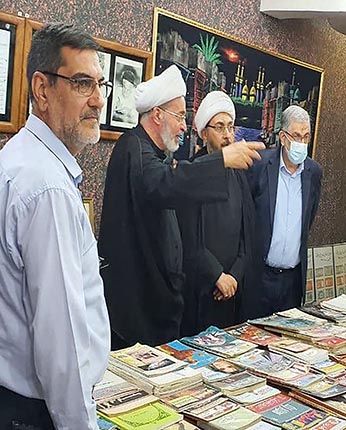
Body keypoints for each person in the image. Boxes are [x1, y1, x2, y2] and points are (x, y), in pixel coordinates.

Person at [0, 23, 112, 429]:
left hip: (2, 405)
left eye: (100, 84)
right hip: (32, 414)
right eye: (82, 84)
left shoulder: (19, 158)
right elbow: (60, 342)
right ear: (42, 89)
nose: (98, 100)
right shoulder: (47, 187)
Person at [98, 66, 264, 349]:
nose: (184, 127)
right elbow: (164, 182)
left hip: (156, 300)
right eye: (179, 117)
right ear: (157, 114)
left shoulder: (154, 153)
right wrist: (222, 160)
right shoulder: (134, 149)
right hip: (136, 306)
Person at [178, 91, 255, 336]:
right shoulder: (193, 172)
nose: (227, 135)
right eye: (219, 127)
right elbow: (188, 237)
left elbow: (247, 232)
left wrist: (234, 276)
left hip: (232, 289)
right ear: (204, 133)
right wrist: (217, 276)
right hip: (200, 288)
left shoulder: (239, 173)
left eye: (230, 127)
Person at [243, 105, 323, 319]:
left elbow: (309, 218)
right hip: (259, 277)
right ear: (283, 137)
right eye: (296, 136)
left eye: (306, 136)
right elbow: (246, 216)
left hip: (292, 282)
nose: (301, 143)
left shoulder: (313, 172)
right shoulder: (260, 165)